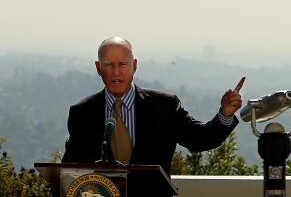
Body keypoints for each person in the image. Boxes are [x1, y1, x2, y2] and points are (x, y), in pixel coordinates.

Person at [62, 37, 244, 187]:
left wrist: (225, 115)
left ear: (134, 65)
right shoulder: (82, 113)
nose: (116, 72)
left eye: (123, 64)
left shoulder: (163, 106)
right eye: (109, 65)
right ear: (98, 68)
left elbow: (200, 139)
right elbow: (69, 172)